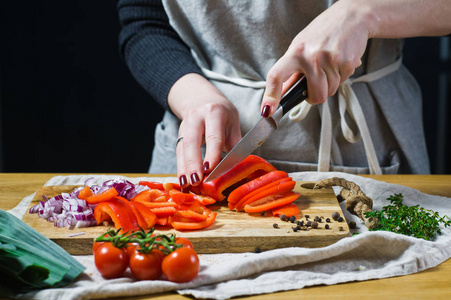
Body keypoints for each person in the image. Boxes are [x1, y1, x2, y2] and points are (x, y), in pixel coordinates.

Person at [117, 0, 451, 188]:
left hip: (366, 147)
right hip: (209, 147)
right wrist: (194, 98)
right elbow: (143, 19)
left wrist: (361, 12)